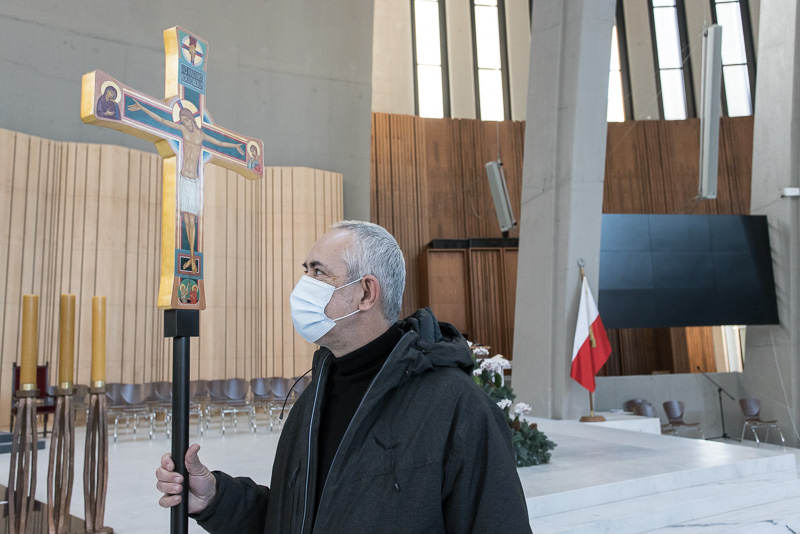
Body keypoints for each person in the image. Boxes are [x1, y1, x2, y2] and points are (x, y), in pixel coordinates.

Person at [155, 220, 532, 533]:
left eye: (318, 272)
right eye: (305, 271)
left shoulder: (457, 407)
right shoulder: (314, 397)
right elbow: (297, 518)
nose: (303, 286)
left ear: (366, 293)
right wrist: (217, 499)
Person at [126, 99, 244, 274]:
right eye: (183, 120)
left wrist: (237, 146)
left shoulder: (201, 135)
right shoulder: (182, 130)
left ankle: (192, 258)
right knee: (185, 219)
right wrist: (142, 107)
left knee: (192, 220)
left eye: (187, 119)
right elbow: (162, 120)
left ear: (192, 119)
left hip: (194, 181)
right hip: (184, 177)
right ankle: (190, 258)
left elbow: (219, 143)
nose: (185, 123)